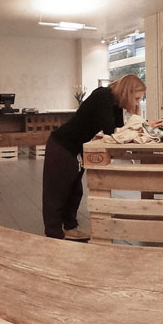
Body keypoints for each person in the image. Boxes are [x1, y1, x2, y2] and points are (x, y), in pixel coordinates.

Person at [41, 73, 147, 240]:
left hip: (76, 146)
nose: (136, 103)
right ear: (127, 92)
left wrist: (137, 121)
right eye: (136, 98)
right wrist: (136, 122)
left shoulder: (115, 103)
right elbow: (111, 131)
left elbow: (118, 132)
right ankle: (53, 235)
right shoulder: (103, 95)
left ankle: (70, 227)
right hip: (61, 144)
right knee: (56, 192)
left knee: (75, 190)